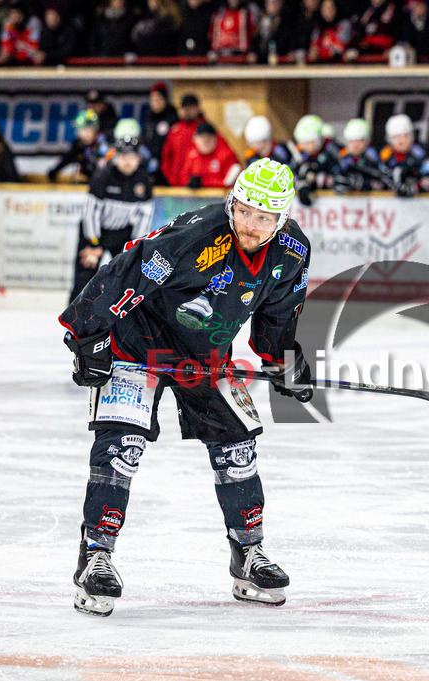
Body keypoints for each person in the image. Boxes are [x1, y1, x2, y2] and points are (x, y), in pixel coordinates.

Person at [60, 158, 310, 616]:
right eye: (243, 211)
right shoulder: (199, 234)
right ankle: (95, 557)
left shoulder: (291, 252)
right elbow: (128, 270)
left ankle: (247, 555)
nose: (249, 225)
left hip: (204, 355)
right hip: (140, 344)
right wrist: (87, 333)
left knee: (238, 450)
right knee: (122, 447)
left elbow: (279, 313)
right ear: (231, 202)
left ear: (283, 217)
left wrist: (285, 358)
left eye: (264, 217)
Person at [68, 132, 155, 302]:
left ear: (138, 157)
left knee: (128, 278)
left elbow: (145, 216)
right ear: (116, 156)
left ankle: (121, 318)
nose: (127, 161)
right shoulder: (103, 176)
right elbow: (90, 212)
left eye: (132, 156)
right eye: (123, 156)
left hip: (123, 234)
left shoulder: (144, 180)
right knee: (85, 275)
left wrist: (135, 246)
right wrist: (94, 242)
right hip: (94, 231)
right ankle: (74, 319)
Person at [378, 113, 429, 197]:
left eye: (405, 136)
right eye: (396, 137)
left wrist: (416, 186)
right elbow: (379, 179)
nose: (401, 141)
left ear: (411, 136)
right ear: (389, 139)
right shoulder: (384, 155)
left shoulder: (423, 153)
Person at [287, 114, 341, 205]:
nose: (304, 146)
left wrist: (315, 179)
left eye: (308, 143)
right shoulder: (301, 153)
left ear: (318, 140)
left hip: (333, 204)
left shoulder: (332, 151)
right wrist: (301, 184)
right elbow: (291, 175)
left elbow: (339, 177)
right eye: (302, 143)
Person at [48, 109, 110, 183]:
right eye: (80, 130)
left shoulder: (103, 142)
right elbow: (68, 158)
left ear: (95, 129)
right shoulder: (79, 144)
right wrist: (54, 171)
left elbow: (108, 165)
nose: (83, 134)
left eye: (87, 130)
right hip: (89, 181)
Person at [177, 122, 241, 189]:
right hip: (194, 198)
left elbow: (227, 183)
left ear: (215, 139)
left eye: (209, 138)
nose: (205, 141)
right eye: (202, 138)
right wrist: (190, 183)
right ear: (195, 139)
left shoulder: (226, 155)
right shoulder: (192, 155)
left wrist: (203, 182)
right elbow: (182, 179)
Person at [161, 94, 207, 186]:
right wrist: (171, 178)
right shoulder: (175, 130)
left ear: (198, 108)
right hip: (175, 185)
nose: (188, 111)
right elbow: (166, 156)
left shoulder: (205, 130)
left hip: (198, 186)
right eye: (185, 108)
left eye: (191, 107)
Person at [333, 118, 385, 193]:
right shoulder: (342, 158)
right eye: (352, 141)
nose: (355, 145)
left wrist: (363, 184)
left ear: (366, 141)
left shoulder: (373, 158)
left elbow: (380, 181)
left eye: (359, 141)